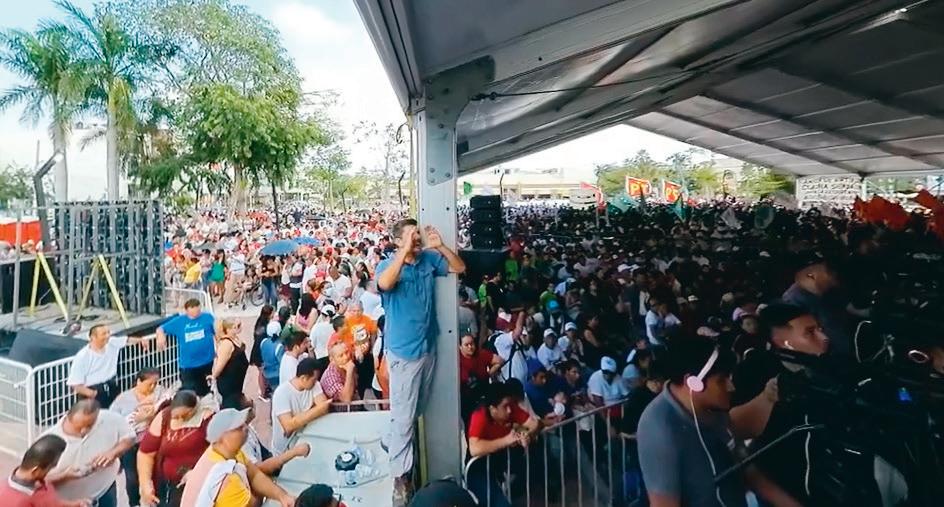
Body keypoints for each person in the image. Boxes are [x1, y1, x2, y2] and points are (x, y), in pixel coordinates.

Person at [637, 339, 800, 507]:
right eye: (722, 380)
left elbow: (746, 469)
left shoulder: (714, 408)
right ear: (693, 383)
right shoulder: (659, 428)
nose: (731, 387)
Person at [375, 218, 466, 506]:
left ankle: (391, 441)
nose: (417, 239)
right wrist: (404, 251)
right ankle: (400, 479)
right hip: (404, 353)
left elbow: (459, 268)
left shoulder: (428, 259)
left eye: (418, 235)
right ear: (397, 241)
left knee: (416, 408)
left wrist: (441, 247)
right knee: (404, 417)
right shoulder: (387, 266)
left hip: (428, 346)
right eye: (411, 235)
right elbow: (384, 283)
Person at [179, 408, 296, 507]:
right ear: (222, 438)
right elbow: (252, 504)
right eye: (238, 428)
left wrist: (282, 496)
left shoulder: (226, 452)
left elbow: (254, 475)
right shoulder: (225, 479)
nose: (246, 428)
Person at [42, 399, 135, 507]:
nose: (83, 431)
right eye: (78, 427)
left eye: (89, 426)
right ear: (68, 417)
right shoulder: (48, 442)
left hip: (105, 490)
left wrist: (113, 453)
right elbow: (35, 482)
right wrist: (65, 476)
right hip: (70, 503)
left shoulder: (111, 418)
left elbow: (130, 437)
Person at [466, 382, 541, 507]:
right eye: (505, 406)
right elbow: (475, 449)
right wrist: (506, 440)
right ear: (493, 409)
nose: (509, 410)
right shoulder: (479, 415)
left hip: (502, 460)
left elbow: (533, 423)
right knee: (495, 501)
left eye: (510, 405)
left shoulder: (511, 408)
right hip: (479, 466)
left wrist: (524, 434)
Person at [138, 390, 215, 507]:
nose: (180, 420)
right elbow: (146, 452)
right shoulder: (164, 417)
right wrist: (145, 483)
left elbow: (218, 452)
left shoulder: (207, 419)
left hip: (195, 485)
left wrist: (197, 473)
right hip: (167, 486)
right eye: (176, 417)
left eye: (185, 416)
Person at [110, 368, 164, 507]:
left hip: (152, 440)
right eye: (149, 384)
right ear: (139, 382)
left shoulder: (160, 393)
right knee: (132, 478)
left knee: (155, 473)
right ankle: (134, 503)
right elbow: (114, 422)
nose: (153, 387)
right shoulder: (123, 399)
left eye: (155, 383)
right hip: (132, 444)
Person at [67, 324, 152, 408]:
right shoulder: (83, 356)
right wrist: (93, 394)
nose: (107, 336)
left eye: (108, 332)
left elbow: (127, 340)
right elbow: (75, 384)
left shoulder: (112, 342)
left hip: (111, 386)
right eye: (103, 334)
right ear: (93, 337)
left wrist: (141, 340)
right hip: (94, 391)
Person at [223, 395, 310, 476]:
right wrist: (293, 453)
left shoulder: (247, 428)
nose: (251, 401)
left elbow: (265, 455)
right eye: (245, 400)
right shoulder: (242, 444)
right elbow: (259, 469)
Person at [1, 434, 90, 507]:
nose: (51, 470)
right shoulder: (16, 502)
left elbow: (50, 503)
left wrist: (75, 505)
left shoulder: (36, 481)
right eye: (50, 467)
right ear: (35, 471)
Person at [271, 357, 331, 456]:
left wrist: (298, 419)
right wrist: (317, 409)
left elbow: (324, 408)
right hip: (285, 449)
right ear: (304, 378)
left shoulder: (314, 385)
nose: (316, 382)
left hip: (304, 441)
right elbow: (288, 426)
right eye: (313, 380)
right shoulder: (281, 394)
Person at [156, 299, 216, 397]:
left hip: (207, 361)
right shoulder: (180, 321)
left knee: (205, 390)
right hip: (189, 365)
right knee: (189, 392)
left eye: (198, 308)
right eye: (193, 309)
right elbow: (161, 328)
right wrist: (161, 336)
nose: (196, 311)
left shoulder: (208, 317)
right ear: (187, 310)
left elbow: (216, 331)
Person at [210, 319, 250, 408]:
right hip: (229, 383)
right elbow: (220, 364)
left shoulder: (235, 339)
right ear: (228, 329)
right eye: (236, 327)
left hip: (237, 382)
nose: (239, 328)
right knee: (231, 404)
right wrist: (213, 376)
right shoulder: (226, 344)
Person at [320, 339, 358, 403]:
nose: (346, 357)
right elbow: (346, 399)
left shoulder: (345, 365)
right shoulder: (330, 378)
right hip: (340, 408)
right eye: (341, 356)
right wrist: (349, 371)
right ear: (332, 359)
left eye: (346, 352)